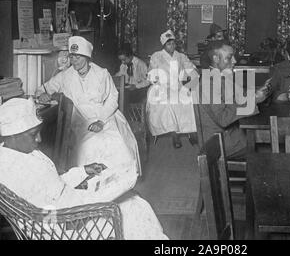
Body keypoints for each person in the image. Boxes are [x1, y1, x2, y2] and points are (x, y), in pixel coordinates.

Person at [0, 98, 167, 240]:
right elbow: (51, 211)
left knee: (134, 201)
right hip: (62, 227)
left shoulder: (16, 153)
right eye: (33, 134)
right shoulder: (15, 168)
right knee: (133, 207)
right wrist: (99, 198)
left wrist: (83, 172)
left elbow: (53, 186)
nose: (39, 139)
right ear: (13, 134)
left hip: (66, 212)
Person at [36, 36, 141, 174]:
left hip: (105, 116)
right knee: (88, 145)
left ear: (87, 57)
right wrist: (43, 94)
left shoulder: (102, 74)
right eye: (72, 57)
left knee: (114, 142)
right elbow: (42, 89)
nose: (74, 61)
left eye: (78, 57)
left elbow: (112, 99)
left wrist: (101, 121)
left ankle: (117, 181)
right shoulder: (65, 76)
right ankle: (91, 181)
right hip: (79, 119)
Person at [197, 40, 270, 160]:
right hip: (220, 143)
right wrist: (254, 100)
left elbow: (238, 96)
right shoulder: (208, 84)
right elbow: (223, 118)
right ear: (215, 59)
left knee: (270, 141)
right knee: (271, 149)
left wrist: (257, 92)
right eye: (229, 57)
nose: (235, 61)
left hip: (231, 134)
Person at [147, 30, 199, 149]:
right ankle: (175, 134)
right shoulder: (157, 56)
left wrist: (194, 72)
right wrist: (154, 77)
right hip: (161, 87)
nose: (172, 46)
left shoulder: (180, 56)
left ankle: (191, 131)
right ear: (164, 45)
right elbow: (151, 72)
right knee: (170, 102)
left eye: (173, 43)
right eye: (169, 44)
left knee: (190, 100)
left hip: (178, 86)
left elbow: (189, 67)